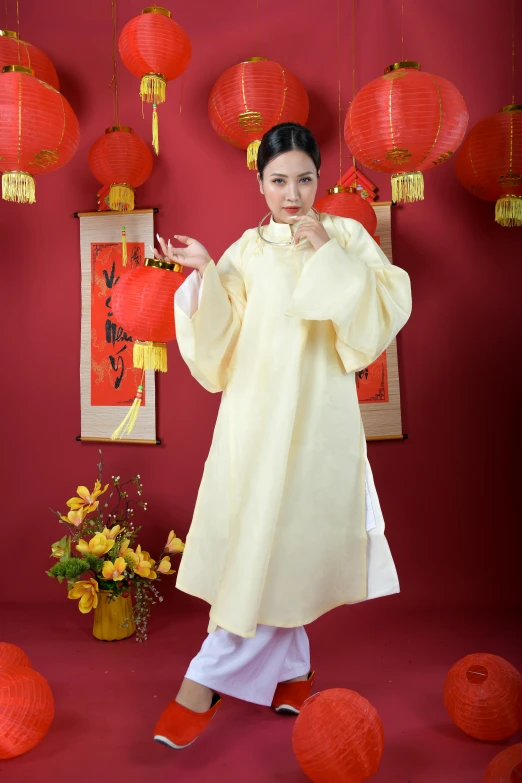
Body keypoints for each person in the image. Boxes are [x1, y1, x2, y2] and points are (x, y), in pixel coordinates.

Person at [152, 122, 412, 750]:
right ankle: (292, 673)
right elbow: (222, 340)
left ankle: (205, 679)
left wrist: (325, 248)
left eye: (303, 180)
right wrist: (208, 270)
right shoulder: (245, 249)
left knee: (286, 537)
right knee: (262, 535)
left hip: (318, 417)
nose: (291, 195)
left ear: (319, 179)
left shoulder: (345, 233)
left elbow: (381, 310)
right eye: (278, 181)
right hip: (253, 415)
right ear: (260, 182)